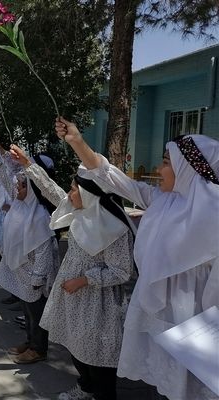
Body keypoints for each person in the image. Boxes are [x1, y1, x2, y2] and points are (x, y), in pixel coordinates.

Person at [56, 118, 219, 400]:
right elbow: (114, 178)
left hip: (195, 320)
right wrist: (78, 143)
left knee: (191, 388)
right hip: (159, 315)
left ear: (189, 168)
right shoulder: (164, 201)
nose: (158, 170)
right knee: (165, 383)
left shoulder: (213, 214)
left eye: (166, 162)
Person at [10, 142, 135, 400]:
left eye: (74, 189)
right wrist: (27, 165)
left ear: (90, 194)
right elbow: (51, 190)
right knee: (77, 349)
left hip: (98, 305)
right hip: (74, 299)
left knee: (98, 356)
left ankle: (101, 393)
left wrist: (84, 280)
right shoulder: (80, 212)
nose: (69, 194)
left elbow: (122, 271)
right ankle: (85, 388)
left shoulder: (113, 229)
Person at [0, 137, 59, 364]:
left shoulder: (39, 216)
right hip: (22, 271)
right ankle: (29, 342)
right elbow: (5, 176)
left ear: (32, 189)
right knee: (27, 312)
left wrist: (38, 278)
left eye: (21, 185)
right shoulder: (20, 203)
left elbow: (45, 250)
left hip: (35, 276)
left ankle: (38, 348)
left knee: (36, 313)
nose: (16, 187)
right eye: (17, 184)